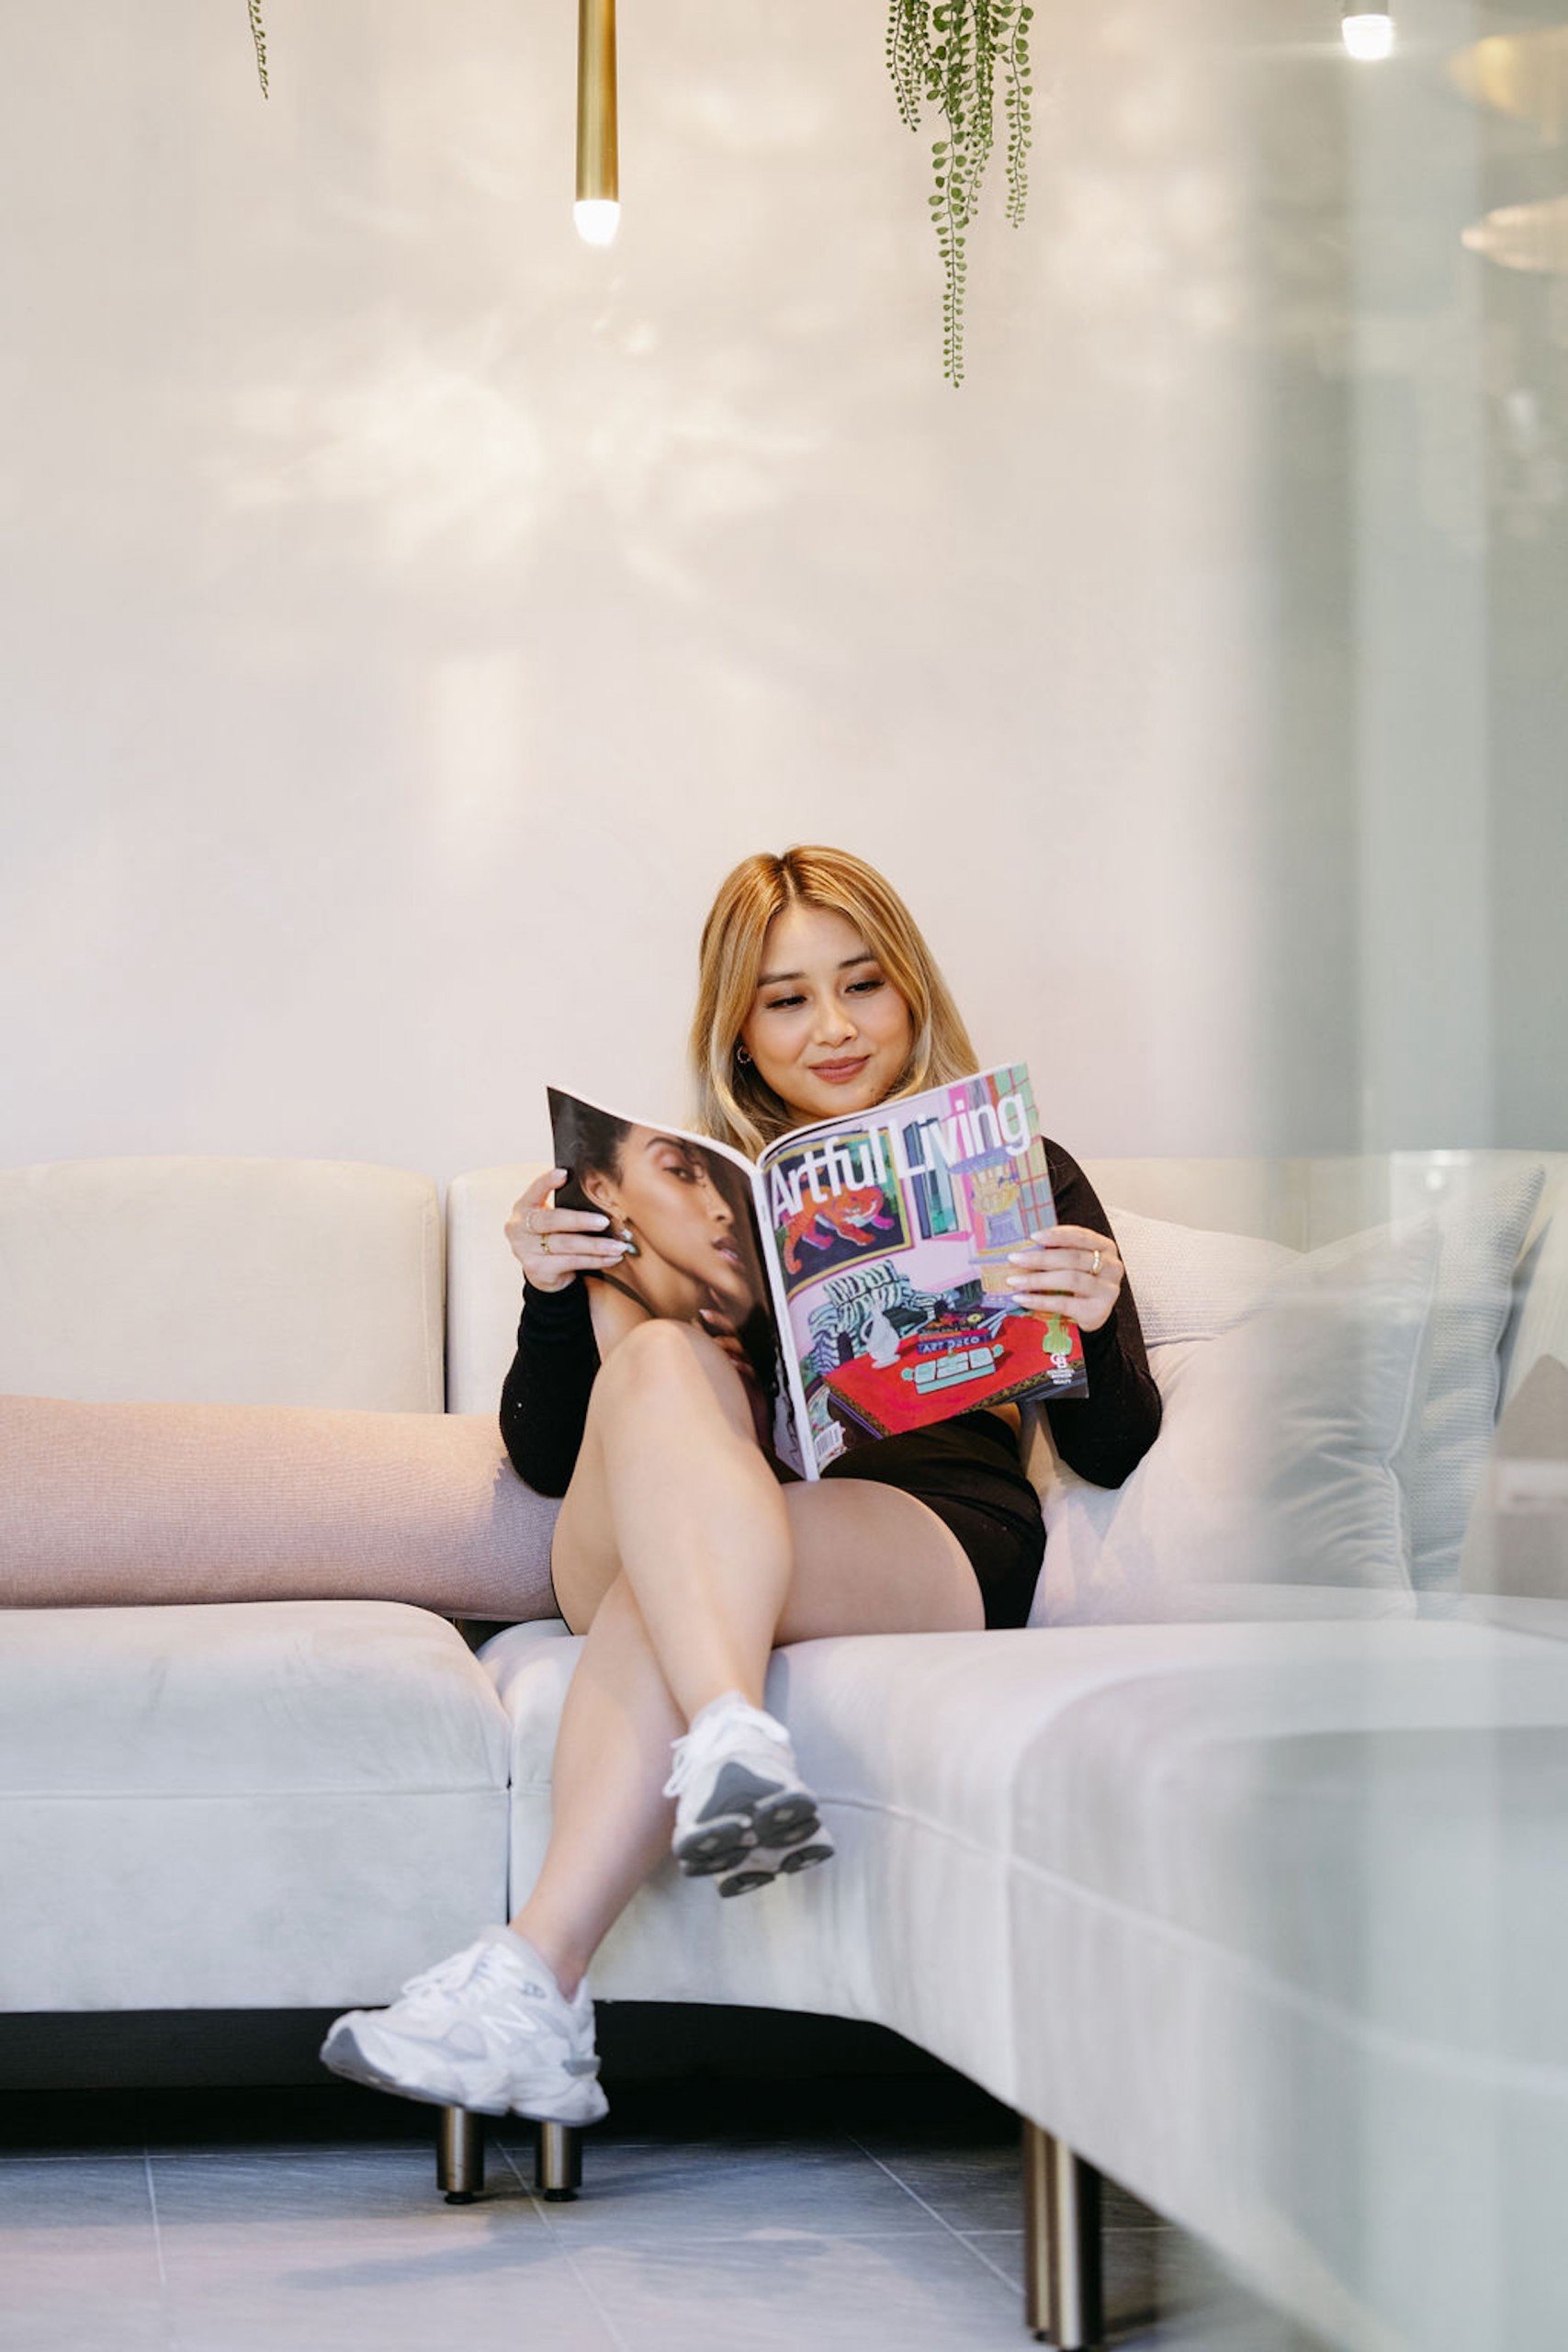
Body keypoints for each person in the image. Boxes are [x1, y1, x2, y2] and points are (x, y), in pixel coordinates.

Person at [320, 845, 1163, 2130]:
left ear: (912, 994)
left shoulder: (1019, 1169)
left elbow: (1110, 1450)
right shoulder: (688, 1192)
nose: (832, 1027)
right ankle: (731, 1729)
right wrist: (552, 1296)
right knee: (658, 1359)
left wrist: (1098, 1318)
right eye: (786, 999)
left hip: (916, 1524)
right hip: (677, 1515)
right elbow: (550, 1464)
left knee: (671, 1586)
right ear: (740, 1027)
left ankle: (532, 1983)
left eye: (863, 985)